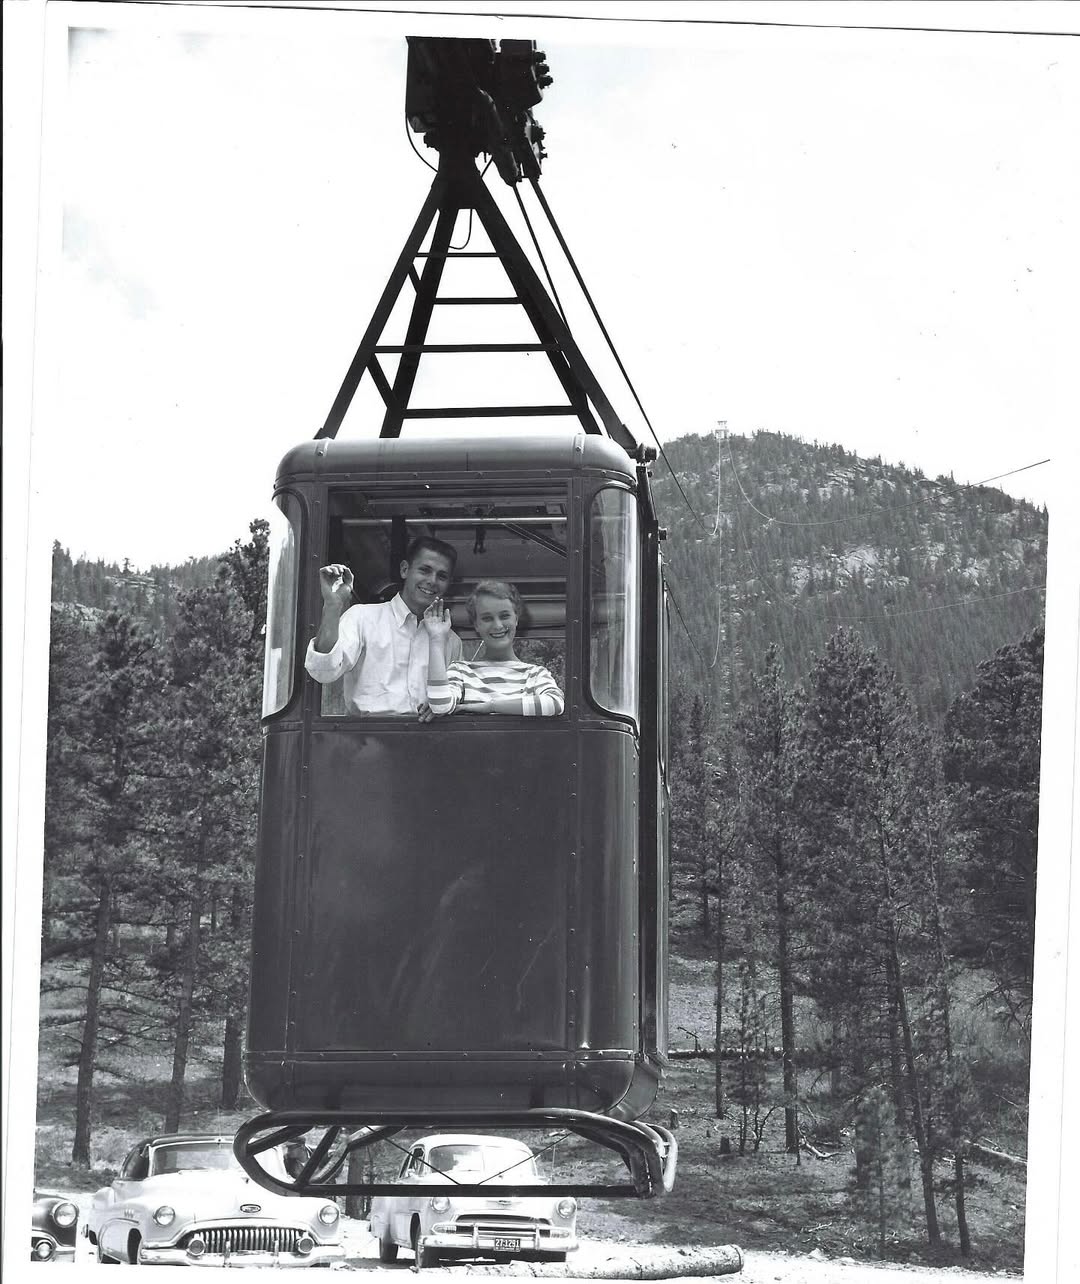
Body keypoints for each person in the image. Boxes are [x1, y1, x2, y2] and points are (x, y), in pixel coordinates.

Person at [304, 537, 462, 718]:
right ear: (404, 570)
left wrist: (443, 707)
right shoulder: (362, 618)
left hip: (430, 740)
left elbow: (456, 699)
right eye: (425, 570)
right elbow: (323, 671)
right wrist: (333, 605)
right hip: (366, 741)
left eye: (441, 576)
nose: (432, 581)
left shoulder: (451, 641)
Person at [422, 579, 564, 717]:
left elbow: (555, 704)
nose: (497, 625)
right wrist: (436, 639)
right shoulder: (461, 671)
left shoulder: (535, 674)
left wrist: (491, 706)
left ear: (516, 619)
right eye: (487, 618)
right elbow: (440, 706)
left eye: (504, 616)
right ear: (476, 625)